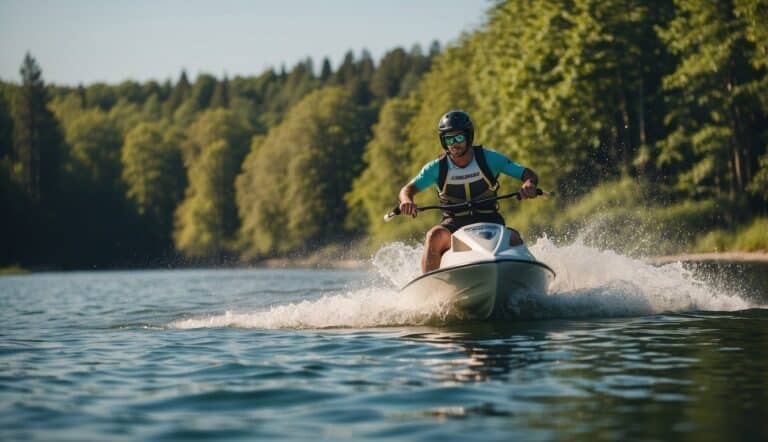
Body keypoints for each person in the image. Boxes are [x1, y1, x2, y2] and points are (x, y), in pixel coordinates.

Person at [398, 110, 540, 273]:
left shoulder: (489, 158)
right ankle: (429, 288)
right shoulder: (436, 168)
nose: (454, 144)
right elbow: (407, 190)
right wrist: (407, 201)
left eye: (458, 138)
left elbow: (528, 174)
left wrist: (529, 185)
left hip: (490, 220)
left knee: (514, 237)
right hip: (453, 225)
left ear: (469, 137)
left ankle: (534, 277)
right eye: (448, 139)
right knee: (433, 236)